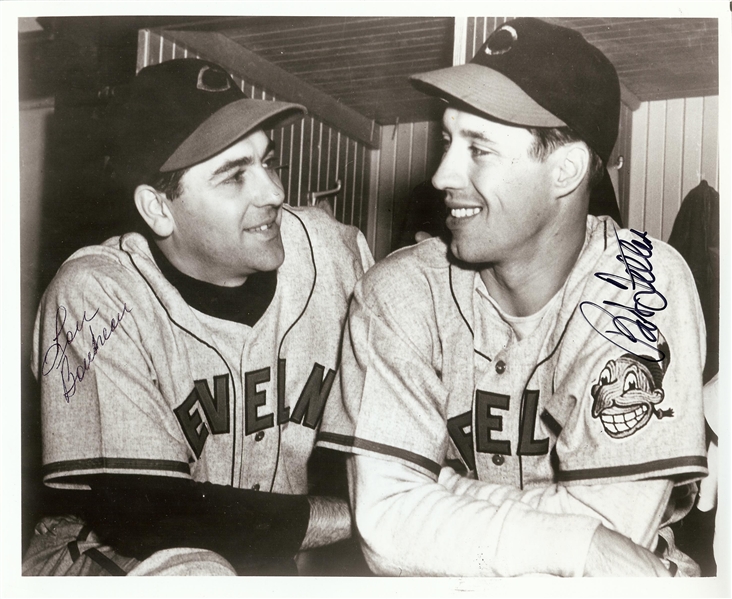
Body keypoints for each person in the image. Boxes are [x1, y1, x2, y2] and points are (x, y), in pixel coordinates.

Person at [318, 18, 707, 577]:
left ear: (565, 170)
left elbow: (619, 529)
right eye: (449, 140)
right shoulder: (396, 292)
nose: (441, 174)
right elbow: (386, 528)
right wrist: (581, 544)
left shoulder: (643, 281)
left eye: (479, 148)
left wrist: (441, 492)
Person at [24, 58, 373, 576]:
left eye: (266, 162)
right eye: (234, 177)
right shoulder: (95, 294)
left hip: (267, 552)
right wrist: (369, 517)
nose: (274, 192)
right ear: (158, 208)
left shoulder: (329, 249)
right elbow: (149, 516)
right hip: (112, 556)